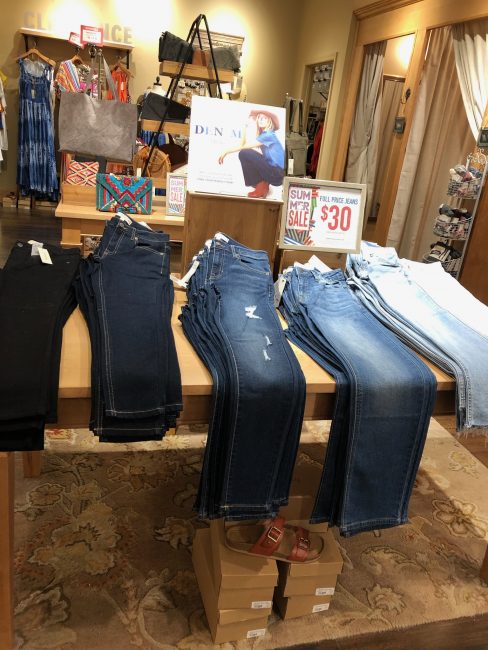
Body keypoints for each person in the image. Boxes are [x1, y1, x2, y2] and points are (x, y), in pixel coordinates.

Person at [218, 110, 285, 198]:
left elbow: (243, 147)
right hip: (275, 172)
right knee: (244, 153)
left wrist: (226, 151)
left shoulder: (268, 135)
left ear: (270, 121)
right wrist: (245, 127)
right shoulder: (264, 135)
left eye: (264, 118)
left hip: (277, 174)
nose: (261, 120)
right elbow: (242, 145)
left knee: (245, 153)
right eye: (259, 118)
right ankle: (261, 185)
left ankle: (262, 186)